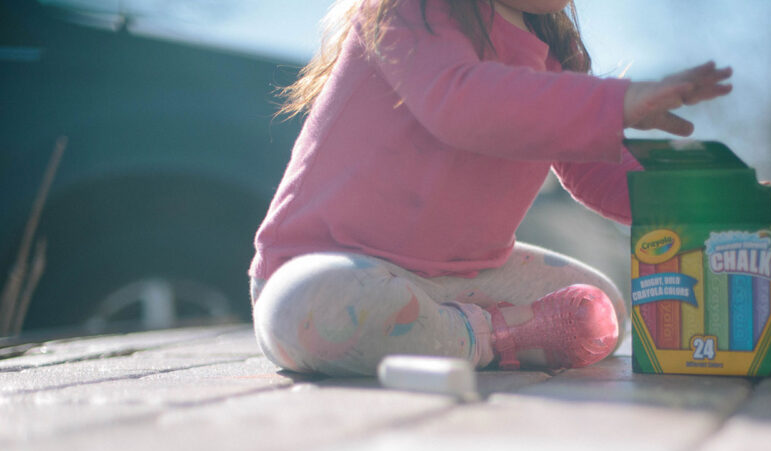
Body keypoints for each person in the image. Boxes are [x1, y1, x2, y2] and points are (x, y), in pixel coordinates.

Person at [249, 0, 732, 376]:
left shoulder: (550, 61)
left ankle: (457, 335)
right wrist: (617, 103)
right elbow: (465, 101)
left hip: (462, 280)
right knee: (316, 306)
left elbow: (594, 169)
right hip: (328, 266)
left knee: (604, 305)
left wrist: (706, 203)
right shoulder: (405, 11)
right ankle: (492, 339)